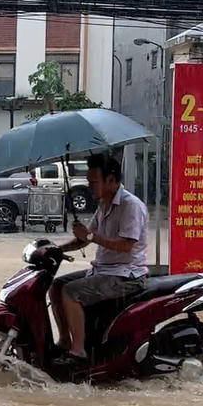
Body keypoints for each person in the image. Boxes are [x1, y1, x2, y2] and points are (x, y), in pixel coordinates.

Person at [49, 154, 149, 364]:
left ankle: (78, 351)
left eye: (93, 181)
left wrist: (90, 237)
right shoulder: (104, 204)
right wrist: (56, 249)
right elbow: (86, 239)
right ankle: (65, 341)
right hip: (103, 270)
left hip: (126, 275)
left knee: (71, 292)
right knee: (57, 286)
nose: (89, 186)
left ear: (111, 180)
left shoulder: (131, 206)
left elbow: (125, 245)